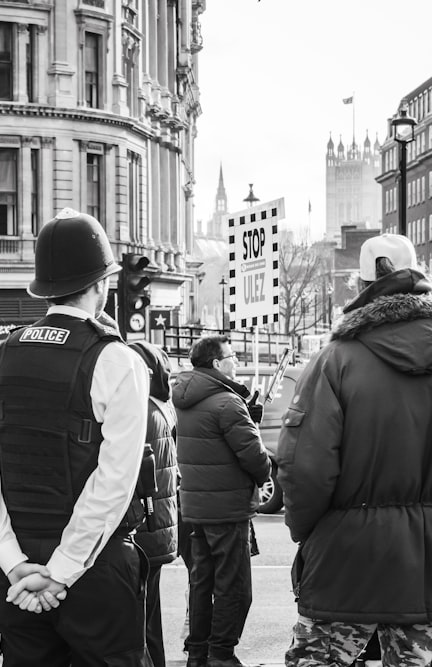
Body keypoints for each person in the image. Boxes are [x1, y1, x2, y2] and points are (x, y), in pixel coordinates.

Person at [0, 209, 150, 667]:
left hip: (19, 566)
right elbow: (114, 481)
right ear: (101, 285)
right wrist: (62, 571)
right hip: (95, 566)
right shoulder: (117, 361)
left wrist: (13, 562)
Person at [278, 234, 432, 666]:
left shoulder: (336, 360)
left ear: (361, 286)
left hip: (346, 559)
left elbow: (303, 465)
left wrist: (309, 533)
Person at [171, 335, 269, 667]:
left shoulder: (186, 398)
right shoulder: (227, 403)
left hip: (197, 507)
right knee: (234, 587)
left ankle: (198, 652)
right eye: (232, 356)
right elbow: (255, 458)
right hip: (227, 508)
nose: (236, 362)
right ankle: (222, 654)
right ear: (217, 363)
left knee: (202, 581)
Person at [129, 341, 180, 667]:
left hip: (143, 528)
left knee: (138, 620)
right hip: (158, 525)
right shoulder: (160, 407)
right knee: (149, 617)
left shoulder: (139, 410)